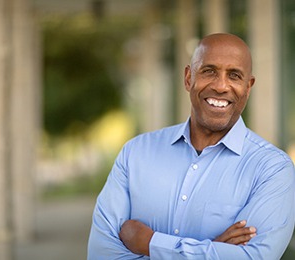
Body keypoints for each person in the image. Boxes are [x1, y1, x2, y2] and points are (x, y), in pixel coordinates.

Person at [87, 33, 295, 259]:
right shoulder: (135, 153)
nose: (221, 86)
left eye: (234, 75)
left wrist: (148, 242)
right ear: (188, 78)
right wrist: (212, 248)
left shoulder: (272, 169)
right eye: (209, 71)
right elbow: (100, 253)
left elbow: (254, 257)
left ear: (248, 87)